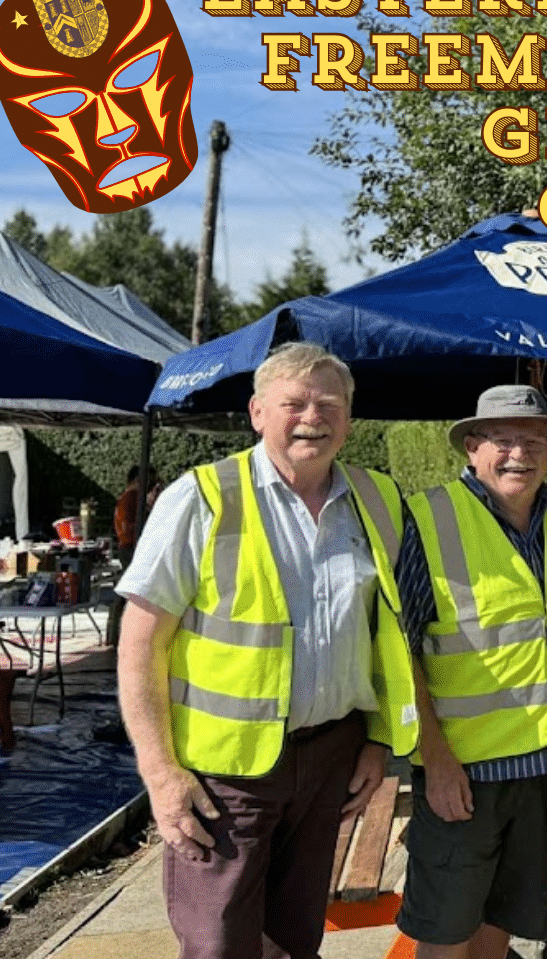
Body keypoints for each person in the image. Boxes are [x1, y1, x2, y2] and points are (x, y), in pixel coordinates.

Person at [116, 342, 417, 959]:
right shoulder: (202, 497)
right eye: (294, 403)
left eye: (329, 404)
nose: (313, 417)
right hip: (224, 775)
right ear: (257, 413)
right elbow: (141, 642)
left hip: (332, 758)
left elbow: (385, 632)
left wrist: (378, 741)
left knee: (294, 940)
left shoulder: (378, 499)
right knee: (220, 944)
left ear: (349, 420)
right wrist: (160, 773)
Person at [394, 384, 547, 959]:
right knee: (445, 933)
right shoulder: (427, 519)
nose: (518, 454)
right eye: (502, 439)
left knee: (502, 922)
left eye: (533, 441)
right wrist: (435, 759)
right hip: (464, 774)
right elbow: (399, 654)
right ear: (472, 447)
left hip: (546, 766)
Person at [114, 464, 160, 552]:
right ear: (138, 480)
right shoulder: (133, 497)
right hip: (134, 546)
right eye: (151, 483)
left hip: (126, 545)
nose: (151, 487)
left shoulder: (125, 497)